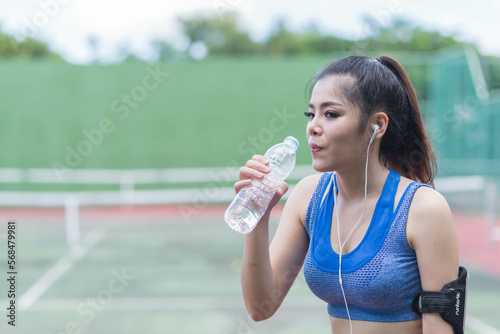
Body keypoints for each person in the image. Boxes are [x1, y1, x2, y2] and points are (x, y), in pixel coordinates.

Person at [234, 55, 460, 333]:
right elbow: (260, 308)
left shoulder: (423, 208)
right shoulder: (308, 196)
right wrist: (256, 217)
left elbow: (441, 328)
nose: (313, 127)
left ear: (377, 125)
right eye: (311, 114)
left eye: (331, 114)